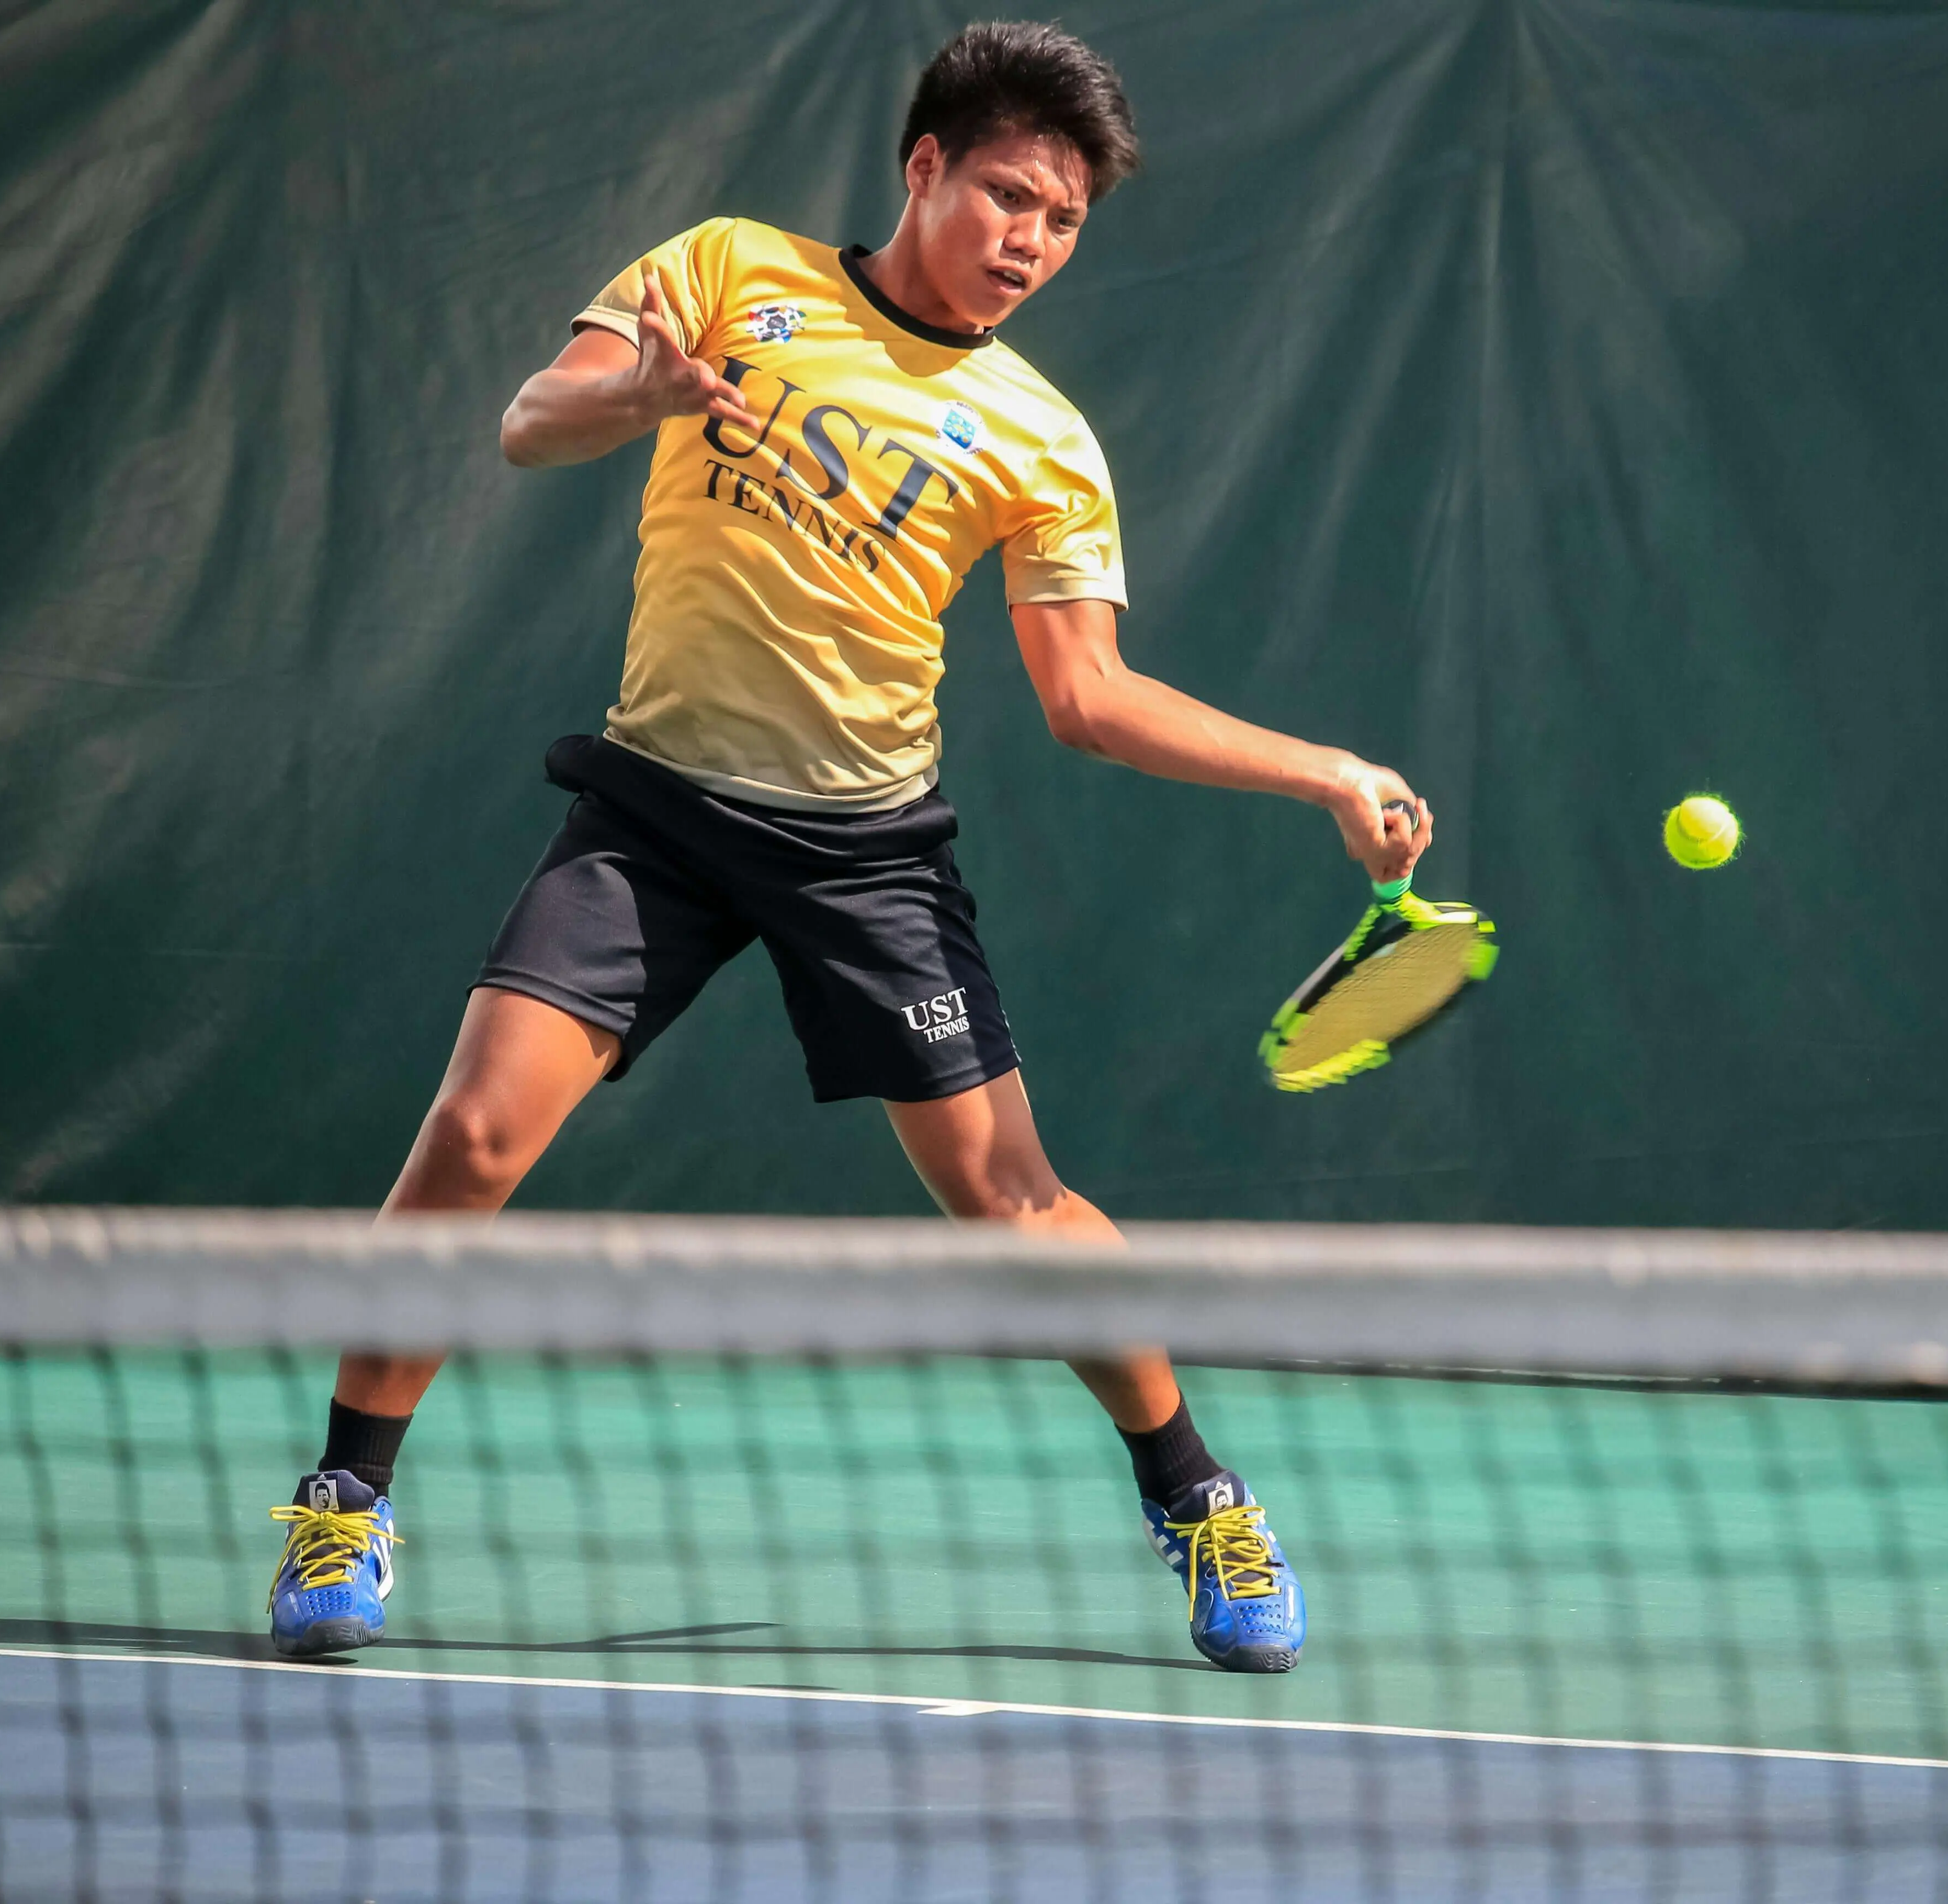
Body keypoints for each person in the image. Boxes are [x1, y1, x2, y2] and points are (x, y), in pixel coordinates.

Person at [266, 20, 1430, 1676]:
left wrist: (1326, 772)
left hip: (866, 854)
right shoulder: (729, 270)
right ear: (924, 166)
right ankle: (344, 1499)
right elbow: (533, 420)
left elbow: (1090, 699)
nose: (1031, 241)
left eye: (1064, 221)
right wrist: (637, 394)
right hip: (657, 815)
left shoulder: (1041, 438)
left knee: (1012, 1203)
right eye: (1009, 196)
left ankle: (1199, 1497)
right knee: (472, 1134)